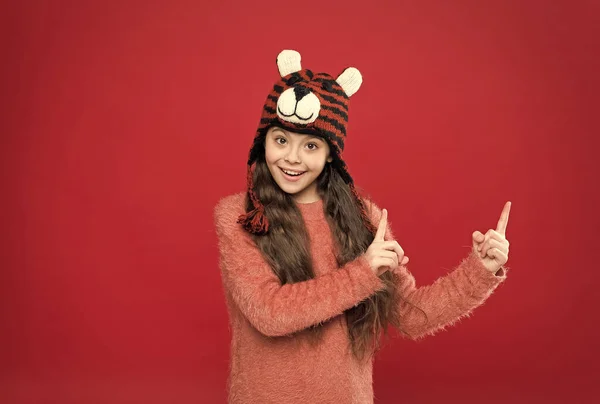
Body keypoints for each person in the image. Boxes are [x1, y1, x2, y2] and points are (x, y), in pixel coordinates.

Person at [213, 49, 511, 404]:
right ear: (263, 142)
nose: (291, 157)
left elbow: (410, 315)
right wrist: (363, 271)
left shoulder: (363, 217)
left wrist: (480, 270)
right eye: (281, 140)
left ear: (330, 155)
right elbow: (270, 313)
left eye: (310, 145)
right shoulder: (240, 216)